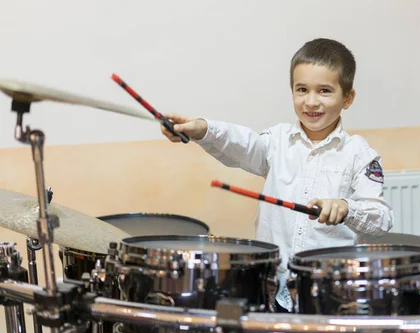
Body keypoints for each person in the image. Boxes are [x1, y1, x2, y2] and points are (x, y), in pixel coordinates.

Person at [160, 38, 394, 311]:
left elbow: (381, 219)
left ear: (348, 98)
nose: (311, 101)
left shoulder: (360, 154)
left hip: (330, 295)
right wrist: (202, 129)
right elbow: (243, 143)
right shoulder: (277, 140)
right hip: (272, 288)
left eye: (325, 91)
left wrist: (346, 208)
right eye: (302, 89)